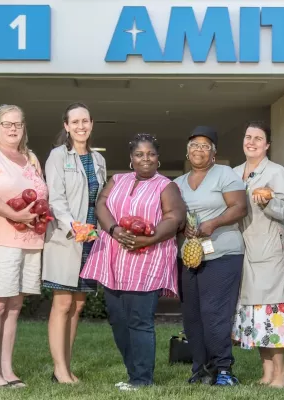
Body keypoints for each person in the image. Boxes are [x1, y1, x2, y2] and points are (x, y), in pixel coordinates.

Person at [80, 133, 185, 391]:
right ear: (131, 158)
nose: (145, 159)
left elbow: (174, 218)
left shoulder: (166, 186)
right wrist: (114, 229)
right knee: (118, 319)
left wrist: (147, 240)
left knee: (139, 320)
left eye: (150, 154)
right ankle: (133, 373)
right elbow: (101, 203)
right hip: (114, 258)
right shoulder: (118, 179)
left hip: (147, 259)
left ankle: (142, 379)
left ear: (158, 158)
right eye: (139, 154)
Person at [175, 126, 247, 386]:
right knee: (192, 315)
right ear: (187, 152)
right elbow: (171, 215)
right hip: (190, 257)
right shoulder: (177, 183)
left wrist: (213, 223)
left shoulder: (224, 174)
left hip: (223, 254)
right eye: (194, 145)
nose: (199, 150)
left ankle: (224, 369)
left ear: (213, 153)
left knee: (214, 312)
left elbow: (240, 207)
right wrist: (182, 227)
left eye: (205, 146)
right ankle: (201, 369)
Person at [42, 102, 107, 384]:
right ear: (66, 126)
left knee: (78, 305)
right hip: (66, 238)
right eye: (75, 122)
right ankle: (59, 369)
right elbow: (55, 198)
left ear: (91, 124)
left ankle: (66, 367)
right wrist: (74, 227)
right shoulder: (58, 156)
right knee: (63, 303)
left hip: (91, 239)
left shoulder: (98, 159)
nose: (81, 126)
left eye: (85, 121)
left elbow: (101, 200)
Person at [232, 121, 284, 389]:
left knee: (272, 310)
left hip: (271, 249)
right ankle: (267, 371)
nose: (252, 142)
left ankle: (281, 373)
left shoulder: (277, 172)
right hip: (245, 248)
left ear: (267, 145)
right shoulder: (234, 173)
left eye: (258, 138)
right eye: (248, 137)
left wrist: (268, 201)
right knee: (255, 312)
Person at [0, 104, 48, 389]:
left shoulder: (30, 158)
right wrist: (14, 215)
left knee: (15, 306)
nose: (13, 129)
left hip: (29, 241)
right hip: (2, 240)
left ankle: (7, 369)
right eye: (6, 123)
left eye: (18, 124)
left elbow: (41, 193)